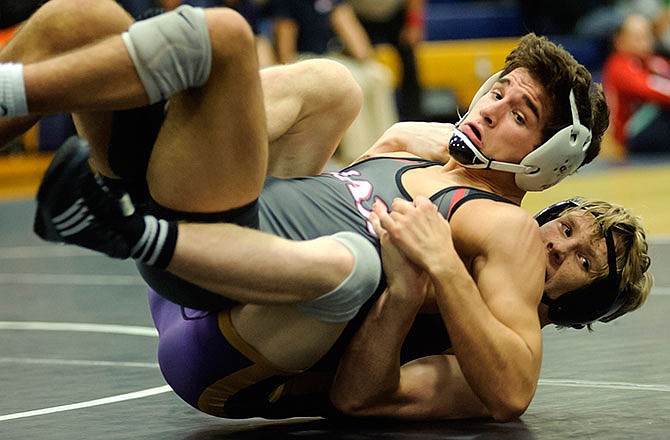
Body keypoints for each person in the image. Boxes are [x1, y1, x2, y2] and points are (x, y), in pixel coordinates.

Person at [0, 0, 651, 422]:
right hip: (235, 249)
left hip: (233, 345)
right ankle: (157, 120)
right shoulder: (420, 148)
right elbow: (329, 197)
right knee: (77, 22)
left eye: (581, 260)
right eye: (498, 92)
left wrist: (415, 287)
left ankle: (134, 225)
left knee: (361, 267)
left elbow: (500, 393)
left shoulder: (498, 253)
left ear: (546, 160)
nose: (557, 249)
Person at [272, 0, 398, 164]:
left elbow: (362, 52)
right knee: (352, 80)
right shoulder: (289, 4)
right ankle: (358, 156)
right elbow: (285, 53)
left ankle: (388, 147)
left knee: (378, 75)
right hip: (304, 59)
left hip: (333, 56)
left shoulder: (335, 3)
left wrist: (343, 17)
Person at [603, 13, 670, 155]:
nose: (644, 42)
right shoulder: (619, 65)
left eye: (647, 36)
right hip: (630, 135)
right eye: (637, 38)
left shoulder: (655, 62)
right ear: (619, 41)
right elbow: (649, 89)